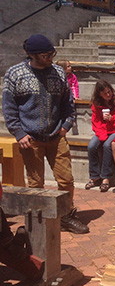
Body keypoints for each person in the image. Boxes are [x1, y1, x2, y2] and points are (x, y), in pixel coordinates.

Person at [2, 34, 89, 234]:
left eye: (52, 53)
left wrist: (67, 124)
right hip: (30, 139)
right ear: (32, 55)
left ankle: (66, 216)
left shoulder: (58, 73)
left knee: (66, 178)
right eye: (45, 54)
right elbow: (9, 108)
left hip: (56, 135)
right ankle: (38, 221)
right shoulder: (15, 74)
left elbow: (68, 103)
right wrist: (19, 132)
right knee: (35, 182)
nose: (50, 57)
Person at [85, 80, 115, 192]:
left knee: (108, 145)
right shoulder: (97, 105)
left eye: (109, 92)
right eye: (105, 93)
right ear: (99, 94)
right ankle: (94, 176)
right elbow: (96, 122)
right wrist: (102, 134)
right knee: (92, 146)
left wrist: (113, 119)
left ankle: (105, 177)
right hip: (104, 130)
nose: (108, 95)